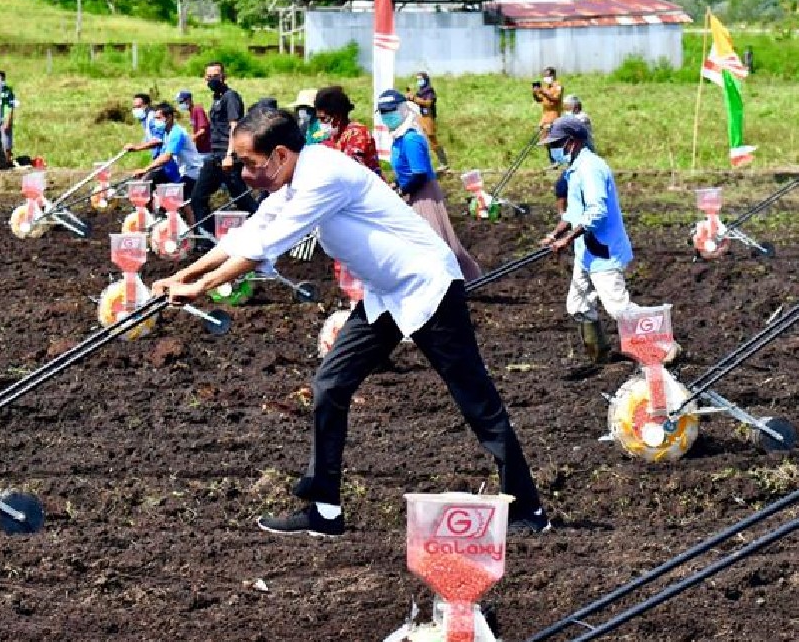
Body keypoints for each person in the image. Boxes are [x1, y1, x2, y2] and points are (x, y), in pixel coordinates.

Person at [152, 109, 548, 537]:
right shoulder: (294, 179)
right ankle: (324, 509)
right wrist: (183, 275)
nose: (244, 174)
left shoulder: (323, 176)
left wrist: (203, 286)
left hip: (428, 287)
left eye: (250, 163)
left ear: (280, 155)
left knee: (475, 400)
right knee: (331, 385)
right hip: (385, 294)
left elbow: (267, 246)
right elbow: (250, 232)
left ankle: (528, 510)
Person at [538, 116, 640, 364]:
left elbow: (596, 212)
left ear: (572, 142)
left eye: (556, 144)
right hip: (586, 252)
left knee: (618, 309)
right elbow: (573, 214)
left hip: (603, 251)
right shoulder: (575, 169)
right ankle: (601, 357)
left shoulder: (591, 169)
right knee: (578, 305)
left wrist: (566, 240)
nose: (553, 151)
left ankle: (661, 341)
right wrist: (554, 235)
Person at [376, 90, 481, 282]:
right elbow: (406, 171)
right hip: (412, 192)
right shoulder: (398, 139)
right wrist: (396, 184)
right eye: (383, 112)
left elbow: (419, 174)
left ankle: (459, 280)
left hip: (423, 195)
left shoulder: (411, 139)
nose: (386, 116)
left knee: (435, 243)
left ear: (402, 110)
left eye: (390, 111)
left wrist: (401, 191)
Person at [189, 61, 252, 243]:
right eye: (209, 77)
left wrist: (230, 155)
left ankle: (266, 232)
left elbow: (234, 127)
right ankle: (207, 240)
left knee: (242, 200)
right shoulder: (217, 98)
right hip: (214, 156)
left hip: (226, 157)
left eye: (216, 76)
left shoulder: (230, 97)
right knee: (198, 198)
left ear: (224, 77)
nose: (212, 80)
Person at [314, 86, 380, 177]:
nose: (320, 123)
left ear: (337, 116)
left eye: (323, 118)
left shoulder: (357, 133)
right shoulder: (332, 137)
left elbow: (352, 170)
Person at [132, 102, 201, 187]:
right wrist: (136, 148)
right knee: (152, 178)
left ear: (169, 117)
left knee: (177, 194)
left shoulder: (177, 133)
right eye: (155, 118)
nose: (156, 121)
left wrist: (146, 169)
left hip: (193, 173)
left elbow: (167, 156)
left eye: (158, 118)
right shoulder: (166, 132)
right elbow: (157, 143)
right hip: (183, 171)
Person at [407, 71, 449, 171]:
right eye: (417, 79)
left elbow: (428, 103)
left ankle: (443, 162)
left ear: (425, 80)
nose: (419, 81)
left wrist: (414, 99)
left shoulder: (429, 91)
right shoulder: (420, 92)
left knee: (432, 139)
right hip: (421, 117)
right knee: (421, 140)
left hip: (429, 117)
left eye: (420, 79)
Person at [0, 69, 19, 160]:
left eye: (1, 79)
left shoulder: (8, 91)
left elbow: (10, 106)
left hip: (4, 119)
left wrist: (8, 120)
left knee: (6, 142)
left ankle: (7, 160)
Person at [178, 89, 210, 155]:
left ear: (188, 100)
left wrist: (192, 138)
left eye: (182, 102)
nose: (180, 104)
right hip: (200, 148)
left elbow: (202, 130)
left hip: (206, 148)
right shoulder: (191, 112)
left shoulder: (198, 109)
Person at [532, 66, 563, 133]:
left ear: (553, 75)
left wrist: (543, 92)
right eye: (545, 76)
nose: (546, 77)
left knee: (549, 134)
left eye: (547, 76)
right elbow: (540, 100)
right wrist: (534, 94)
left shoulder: (558, 86)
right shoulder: (545, 87)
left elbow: (556, 99)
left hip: (554, 115)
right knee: (540, 134)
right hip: (545, 116)